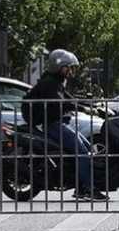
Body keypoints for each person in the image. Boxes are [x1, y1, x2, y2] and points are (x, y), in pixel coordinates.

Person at [23, 49, 107, 200]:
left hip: (59, 123)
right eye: (67, 66)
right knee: (81, 152)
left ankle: (80, 188)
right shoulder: (49, 84)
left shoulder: (55, 82)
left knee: (88, 148)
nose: (69, 70)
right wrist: (86, 109)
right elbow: (63, 103)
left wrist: (94, 106)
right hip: (52, 125)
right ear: (58, 65)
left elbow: (71, 99)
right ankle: (88, 189)